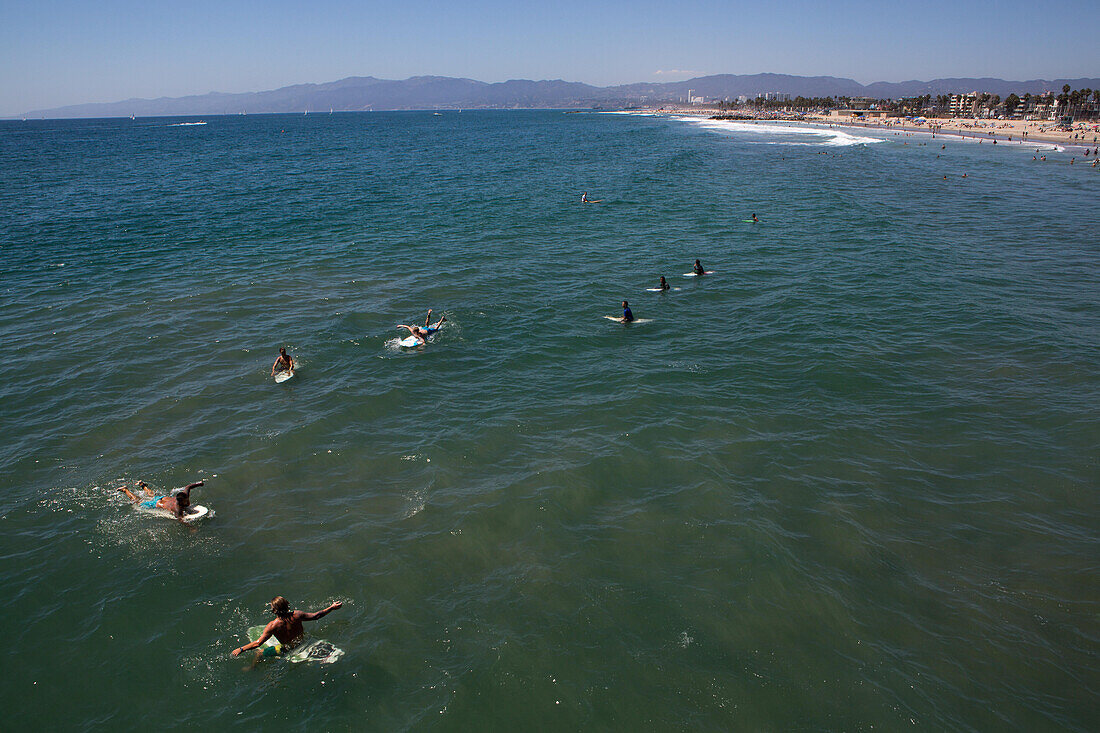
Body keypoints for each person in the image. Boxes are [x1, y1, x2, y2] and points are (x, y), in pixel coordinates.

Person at [232, 597, 343, 659]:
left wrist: (241, 649)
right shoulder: (297, 614)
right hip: (303, 642)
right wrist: (332, 607)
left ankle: (252, 668)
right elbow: (316, 616)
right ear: (287, 605)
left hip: (287, 649)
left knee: (259, 653)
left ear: (274, 610)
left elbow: (257, 643)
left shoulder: (272, 626)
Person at [117, 480, 203, 522]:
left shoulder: (184, 495)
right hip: (156, 503)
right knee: (138, 501)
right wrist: (190, 527)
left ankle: (142, 485)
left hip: (162, 498)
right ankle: (125, 490)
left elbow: (188, 487)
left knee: (152, 495)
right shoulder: (177, 508)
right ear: (181, 502)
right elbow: (181, 520)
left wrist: (199, 484)